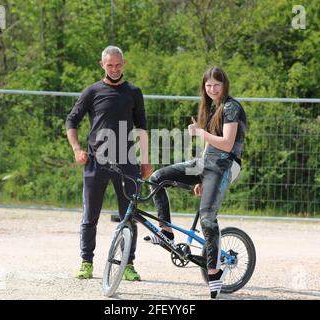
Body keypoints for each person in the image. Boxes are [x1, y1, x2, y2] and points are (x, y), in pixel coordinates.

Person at [146, 66, 246, 298]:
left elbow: (227, 144)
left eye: (216, 85)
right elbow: (209, 148)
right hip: (205, 164)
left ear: (224, 85)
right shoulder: (211, 108)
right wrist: (199, 176)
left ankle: (214, 272)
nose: (212, 89)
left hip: (224, 165)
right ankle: (166, 231)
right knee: (157, 178)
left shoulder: (232, 107)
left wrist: (200, 132)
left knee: (207, 218)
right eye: (208, 85)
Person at [66, 45, 153, 281]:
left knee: (129, 215)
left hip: (127, 162)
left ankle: (128, 264)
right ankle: (86, 262)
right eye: (109, 65)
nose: (114, 69)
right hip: (97, 162)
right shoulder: (92, 91)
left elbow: (142, 126)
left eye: (118, 64)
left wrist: (146, 160)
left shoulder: (134, 92)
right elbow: (71, 120)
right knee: (90, 215)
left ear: (123, 64)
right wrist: (77, 149)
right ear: (102, 64)